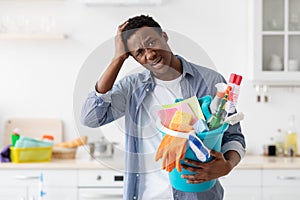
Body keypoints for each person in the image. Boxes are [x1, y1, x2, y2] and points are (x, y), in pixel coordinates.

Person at [81, 14, 246, 200]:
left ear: (164, 36)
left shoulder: (211, 81)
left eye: (152, 42)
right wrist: (117, 59)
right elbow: (91, 117)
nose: (150, 54)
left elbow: (233, 136)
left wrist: (228, 165)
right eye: (139, 52)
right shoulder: (131, 88)